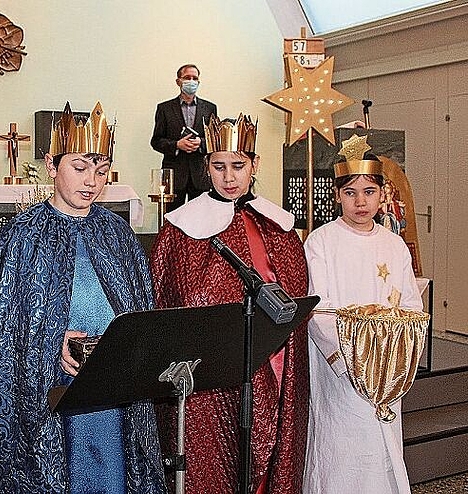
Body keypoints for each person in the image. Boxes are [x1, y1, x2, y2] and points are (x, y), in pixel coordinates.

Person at [0, 102, 166, 493]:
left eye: (101, 171)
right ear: (51, 165)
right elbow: (0, 332)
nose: (92, 182)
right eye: (79, 168)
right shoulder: (22, 235)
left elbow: (141, 311)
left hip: (115, 390)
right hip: (54, 393)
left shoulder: (117, 233)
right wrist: (52, 340)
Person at [151, 114, 309, 493]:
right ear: (206, 167)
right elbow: (169, 299)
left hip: (273, 360)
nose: (229, 177)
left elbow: (296, 296)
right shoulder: (181, 229)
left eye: (238, 165)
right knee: (215, 461)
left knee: (271, 451)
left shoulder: (278, 225)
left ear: (254, 165)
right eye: (219, 166)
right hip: (211, 374)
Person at [302, 140, 423, 494]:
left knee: (380, 447)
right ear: (337, 195)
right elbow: (319, 310)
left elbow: (411, 307)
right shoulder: (321, 242)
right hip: (341, 368)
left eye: (369, 192)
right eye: (351, 192)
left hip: (386, 369)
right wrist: (352, 361)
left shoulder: (394, 244)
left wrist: (390, 360)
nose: (360, 202)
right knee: (342, 448)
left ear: (383, 194)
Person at [151, 64, 217, 211]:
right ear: (178, 81)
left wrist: (201, 142)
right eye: (187, 78)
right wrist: (176, 145)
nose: (191, 81)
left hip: (200, 174)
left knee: (201, 219)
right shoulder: (164, 108)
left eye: (195, 78)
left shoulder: (210, 108)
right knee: (172, 219)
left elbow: (215, 141)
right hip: (174, 175)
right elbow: (156, 141)